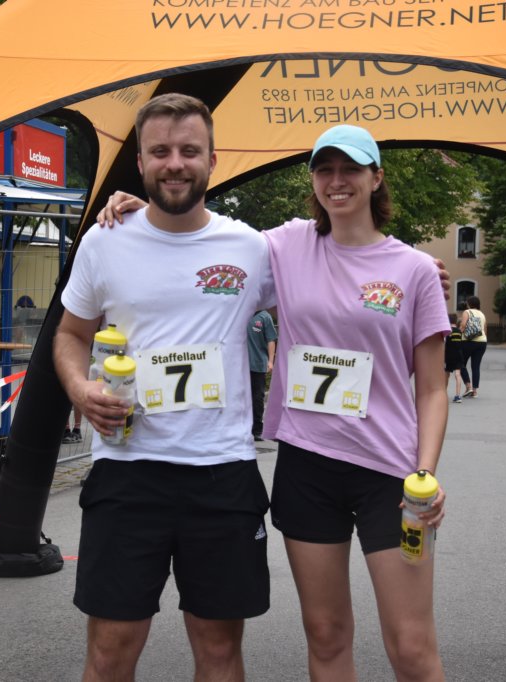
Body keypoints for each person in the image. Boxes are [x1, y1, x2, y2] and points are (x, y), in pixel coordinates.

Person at [98, 122, 451, 681]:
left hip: (390, 475)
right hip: (308, 468)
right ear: (313, 181)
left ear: (376, 177)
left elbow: (431, 388)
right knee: (326, 635)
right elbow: (203, 238)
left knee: (411, 647)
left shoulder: (415, 269)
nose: (337, 181)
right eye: (325, 170)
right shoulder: (285, 246)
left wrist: (425, 472)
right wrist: (150, 210)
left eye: (351, 169)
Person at [55, 94, 275, 682]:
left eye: (188, 151)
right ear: (141, 164)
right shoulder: (104, 240)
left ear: (212, 160)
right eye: (160, 151)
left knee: (220, 650)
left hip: (222, 472)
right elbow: (71, 333)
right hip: (128, 471)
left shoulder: (251, 248)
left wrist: (410, 273)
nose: (174, 163)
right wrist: (78, 388)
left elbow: (330, 272)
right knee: (110, 651)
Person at [247, 310, 277, 440]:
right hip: (239, 365)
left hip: (258, 364)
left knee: (257, 398)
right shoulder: (242, 311)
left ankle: (257, 430)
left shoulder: (265, 317)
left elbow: (271, 340)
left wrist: (270, 361)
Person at [459, 295, 487, 398]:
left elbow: (463, 325)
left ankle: (468, 386)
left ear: (469, 304)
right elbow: (485, 329)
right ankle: (475, 392)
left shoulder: (467, 312)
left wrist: (457, 335)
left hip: (468, 341)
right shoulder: (482, 314)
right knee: (476, 366)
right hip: (482, 342)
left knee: (460, 363)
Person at [445, 312, 466, 403]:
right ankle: (458, 396)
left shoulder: (447, 331)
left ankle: (443, 394)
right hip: (458, 355)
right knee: (458, 374)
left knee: (446, 374)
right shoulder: (459, 331)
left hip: (448, 355)